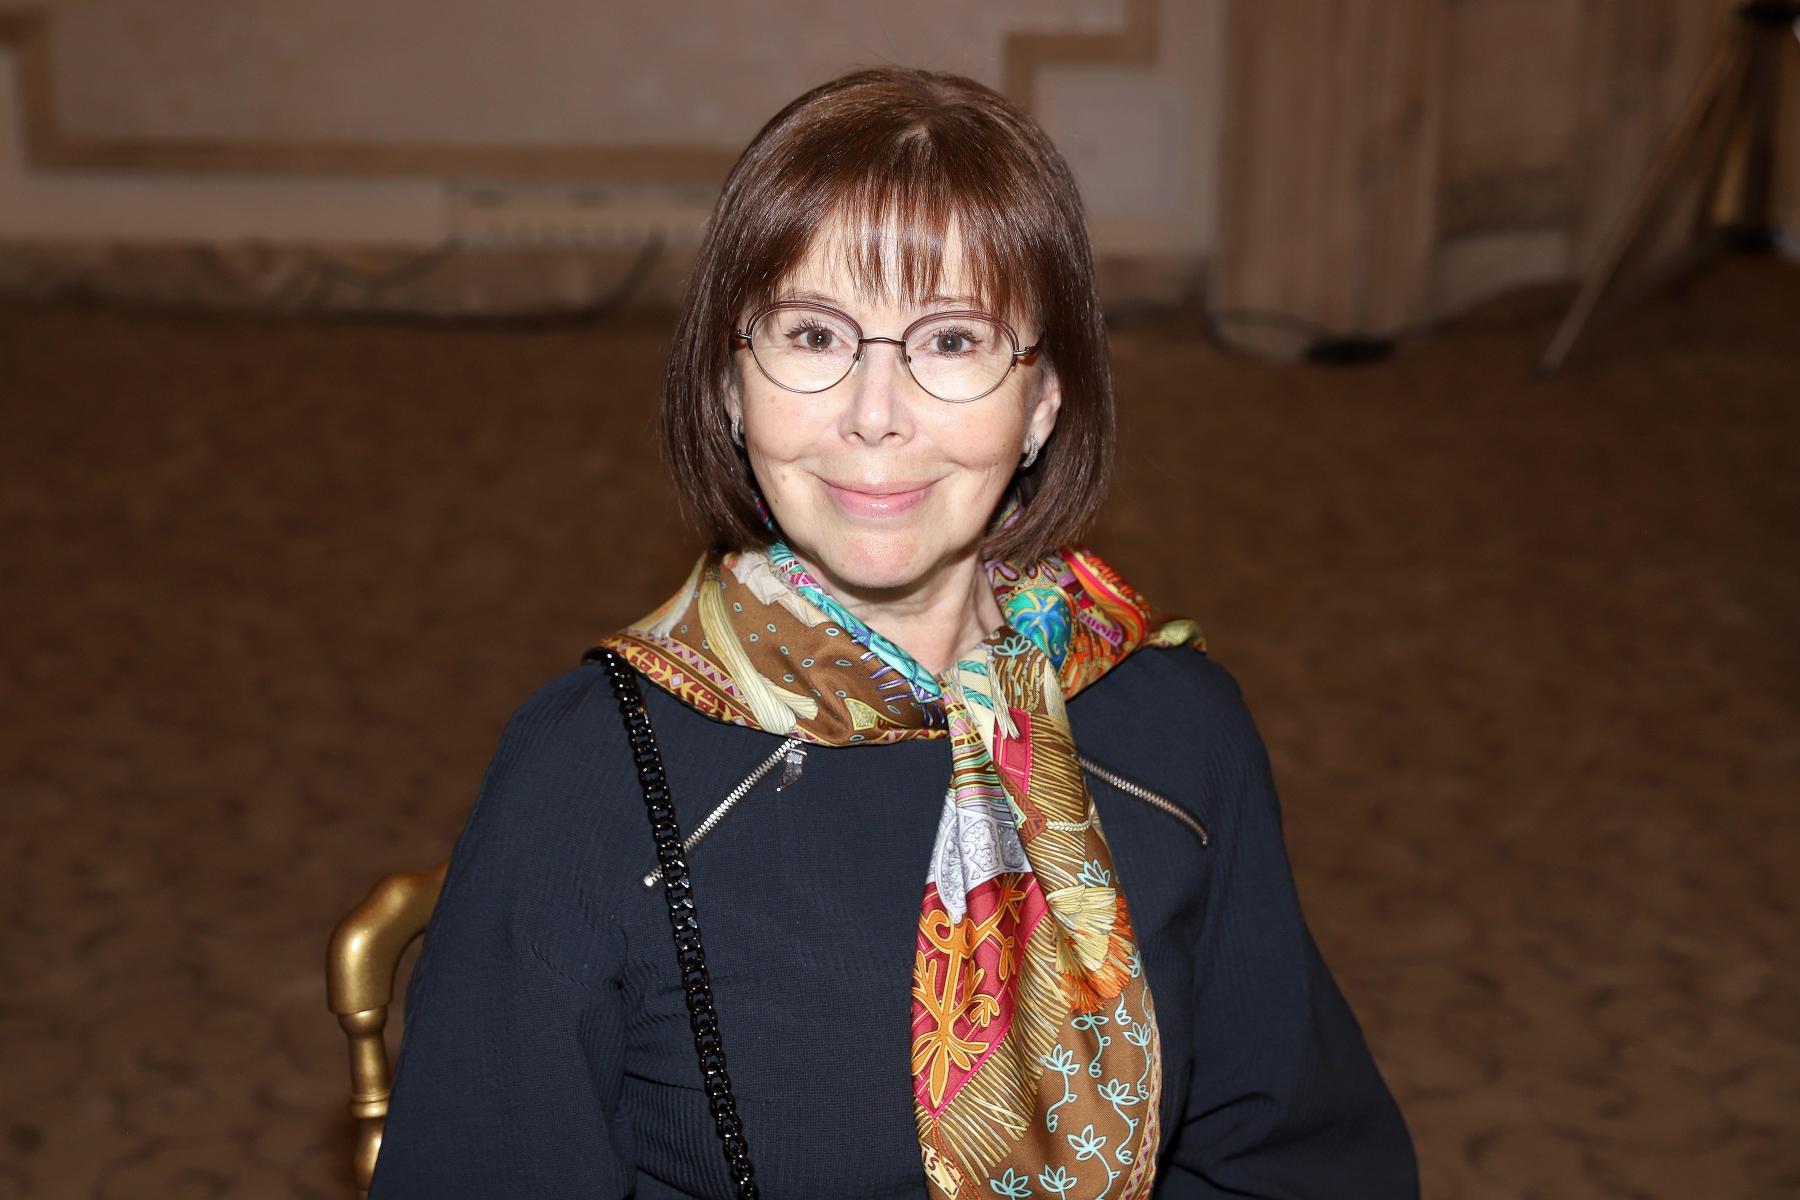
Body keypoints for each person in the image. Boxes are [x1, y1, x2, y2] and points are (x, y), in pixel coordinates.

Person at [371, 68, 1416, 1199]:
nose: (875, 414)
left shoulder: (1175, 725)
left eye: (953, 341)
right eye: (815, 335)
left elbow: (1298, 1163)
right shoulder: (591, 776)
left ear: (1044, 402)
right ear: (730, 385)